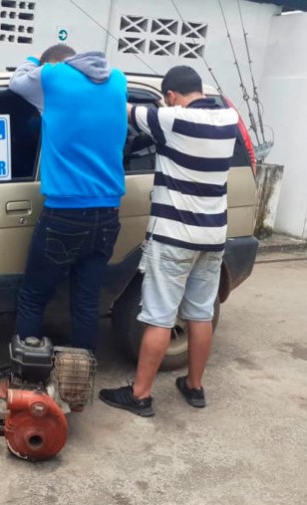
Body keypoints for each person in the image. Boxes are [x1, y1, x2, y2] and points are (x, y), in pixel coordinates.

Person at [99, 66, 239, 417]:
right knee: (200, 313)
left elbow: (124, 108)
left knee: (160, 317)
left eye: (166, 98)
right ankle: (194, 387)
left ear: (172, 96)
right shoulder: (229, 118)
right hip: (213, 236)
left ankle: (141, 395)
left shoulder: (173, 119)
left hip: (175, 236)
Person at [9, 44, 127, 352]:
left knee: (33, 297)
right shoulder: (118, 80)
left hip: (65, 213)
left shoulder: (52, 76)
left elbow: (17, 81)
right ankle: (79, 383)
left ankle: (28, 380)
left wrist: (36, 59)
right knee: (87, 302)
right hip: (108, 212)